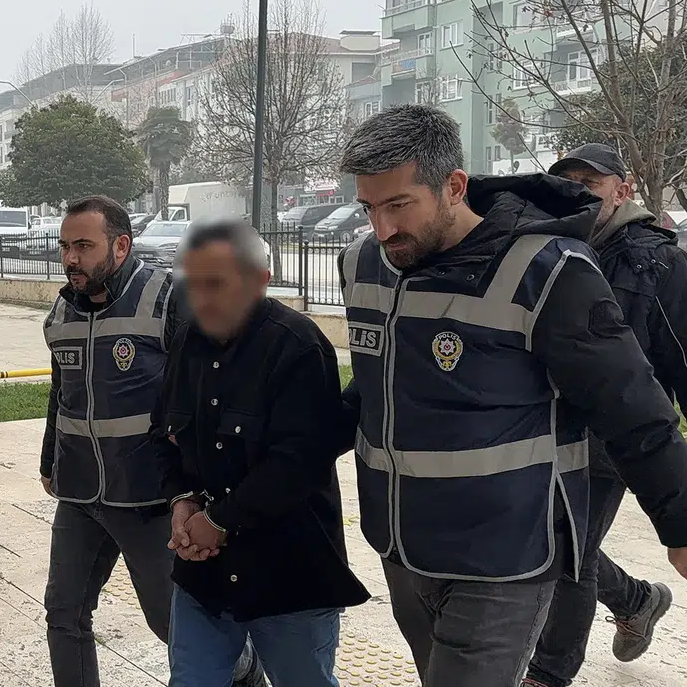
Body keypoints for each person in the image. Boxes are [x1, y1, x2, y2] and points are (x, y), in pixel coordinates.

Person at [336, 104, 687, 687]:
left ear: (454, 187)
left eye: (399, 205)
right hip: (401, 550)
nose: (383, 229)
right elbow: (369, 394)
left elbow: (628, 402)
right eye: (369, 207)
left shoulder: (548, 270)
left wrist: (679, 520)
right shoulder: (364, 264)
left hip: (505, 558)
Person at [40, 195, 265, 687]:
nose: (71, 258)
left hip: (149, 497)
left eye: (83, 246)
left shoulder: (167, 298)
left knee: (173, 623)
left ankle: (246, 671)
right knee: (63, 613)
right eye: (65, 247)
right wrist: (49, 460)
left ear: (121, 246)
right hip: (79, 493)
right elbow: (62, 392)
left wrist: (201, 488)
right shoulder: (62, 309)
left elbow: (213, 390)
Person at [149, 217, 370, 686]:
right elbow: (163, 434)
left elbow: (298, 463)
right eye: (194, 284)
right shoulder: (188, 340)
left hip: (287, 576)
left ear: (260, 280)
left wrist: (218, 522)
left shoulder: (298, 346)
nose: (203, 299)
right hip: (204, 576)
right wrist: (181, 502)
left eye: (217, 284)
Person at [521, 144, 685, 687]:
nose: (578, 192)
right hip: (541, 426)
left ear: (623, 189)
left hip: (611, 434)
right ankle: (636, 600)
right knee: (550, 540)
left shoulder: (658, 262)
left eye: (590, 183)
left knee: (571, 553)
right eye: (568, 182)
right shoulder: (547, 247)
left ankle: (549, 673)